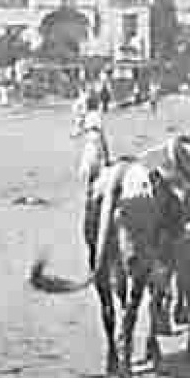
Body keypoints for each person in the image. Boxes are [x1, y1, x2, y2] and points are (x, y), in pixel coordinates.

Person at [76, 102, 110, 269]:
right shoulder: (96, 117)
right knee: (97, 171)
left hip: (90, 146)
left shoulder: (87, 117)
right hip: (94, 146)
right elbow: (101, 138)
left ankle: (92, 192)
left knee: (91, 172)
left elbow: (80, 129)